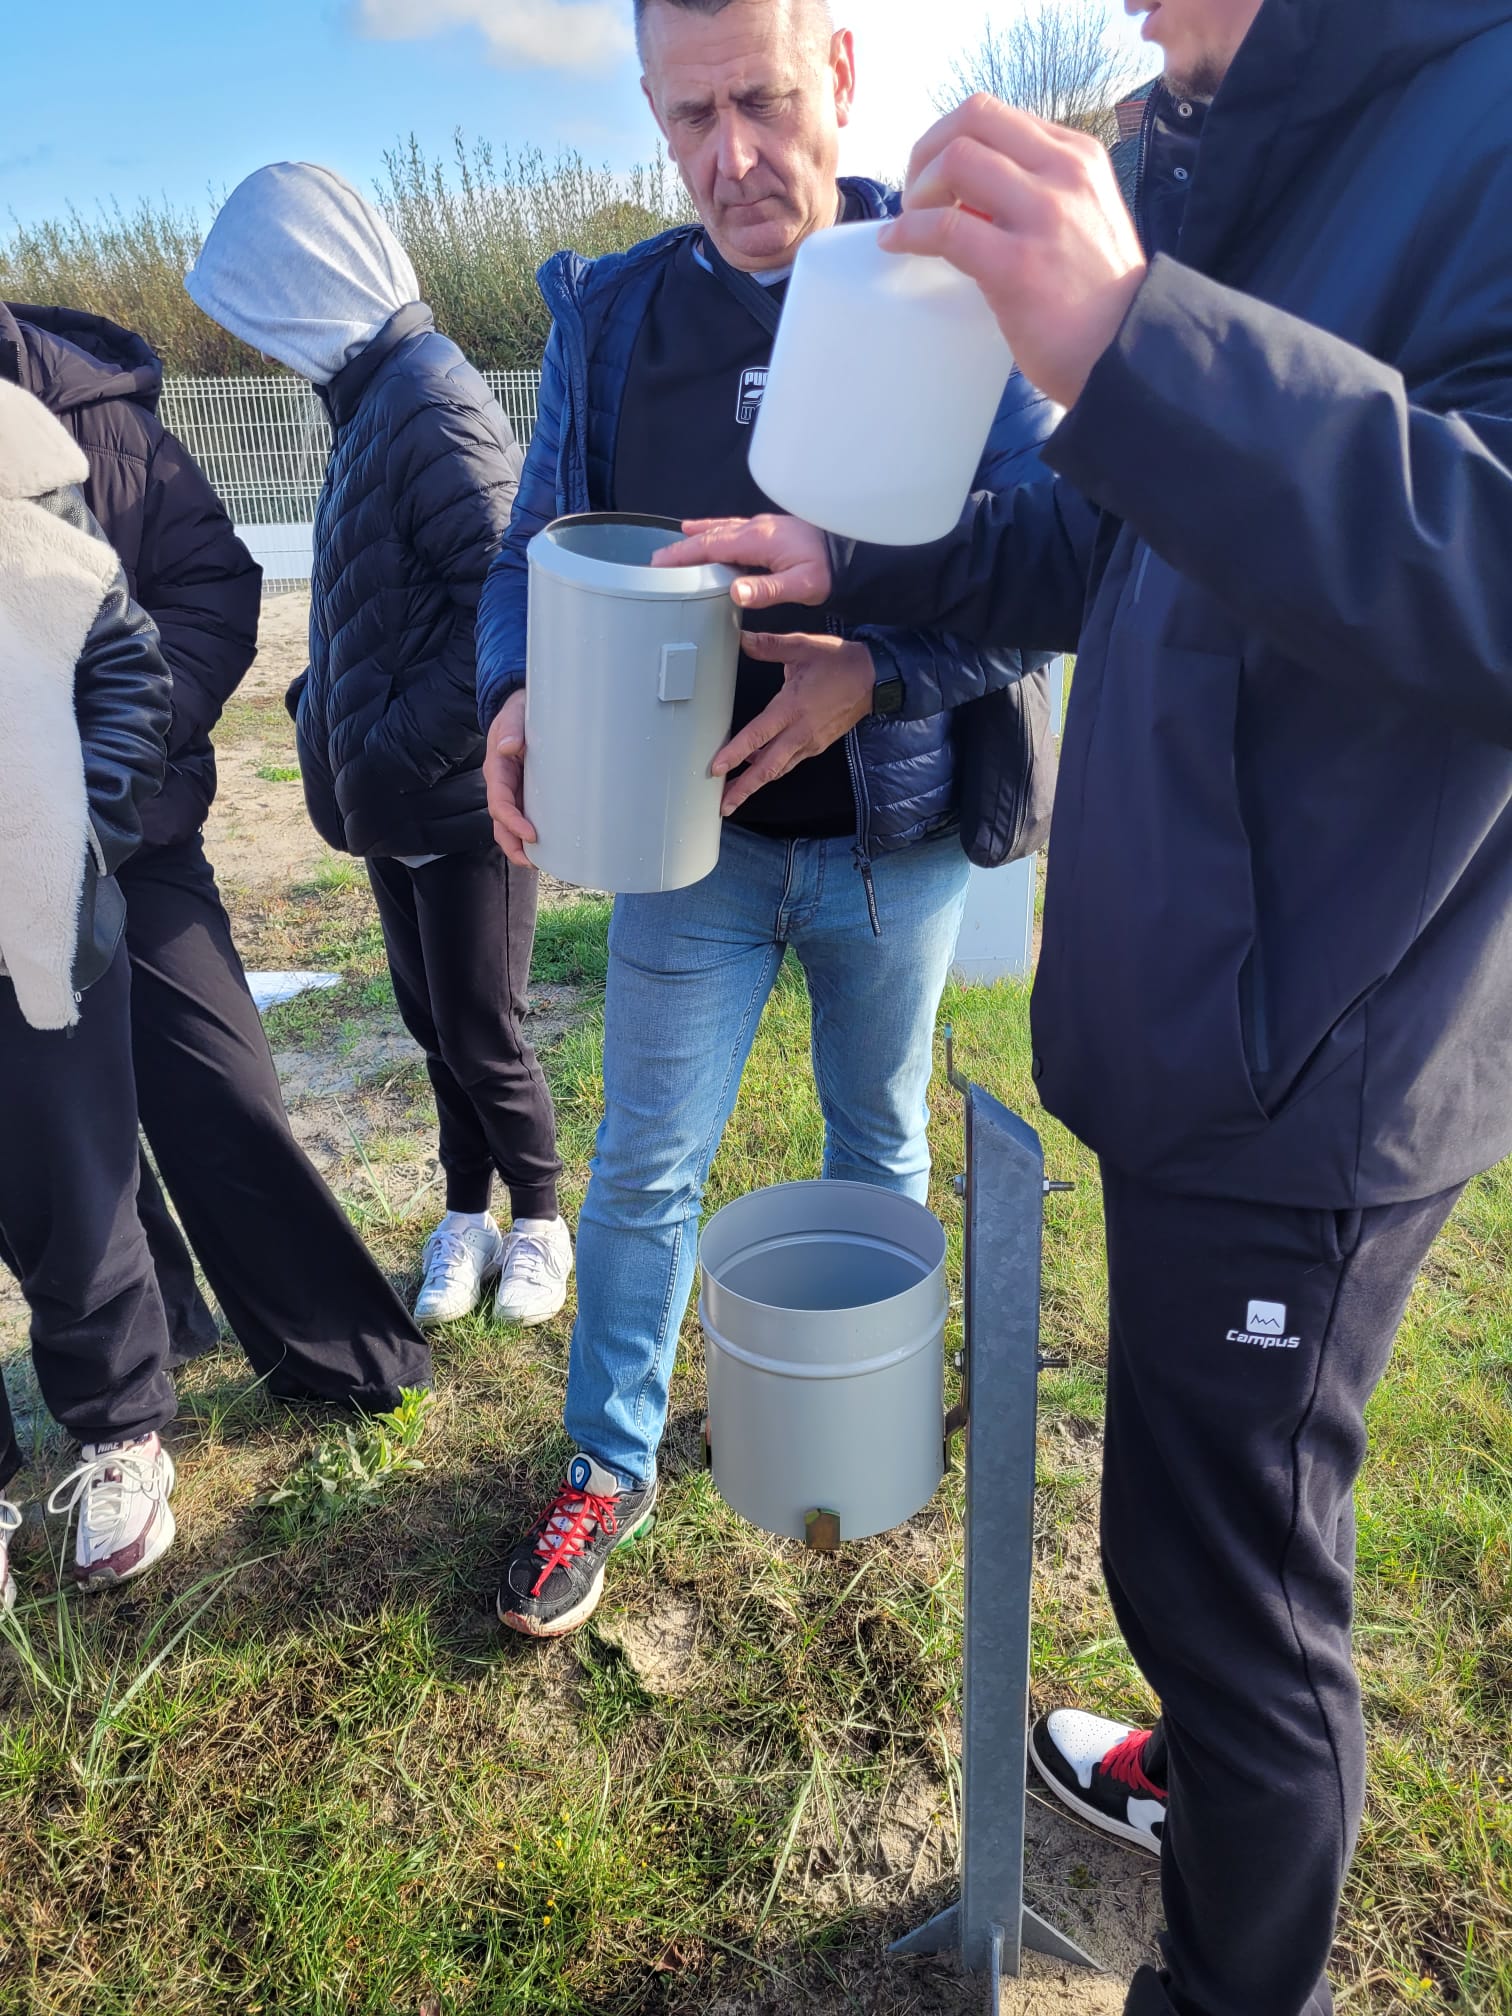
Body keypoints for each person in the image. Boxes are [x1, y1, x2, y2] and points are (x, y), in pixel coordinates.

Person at [660, 1, 1512, 2010]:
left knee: (1236, 1597)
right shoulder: (1223, 137)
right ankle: (1197, 1776)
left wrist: (1145, 342)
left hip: (1326, 1040)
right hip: (1200, 1007)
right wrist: (863, 558)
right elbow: (1106, 532)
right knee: (1183, 1537)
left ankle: (1234, 1968)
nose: (1129, 5)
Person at [476, 0, 1055, 1640]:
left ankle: (863, 1425)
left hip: (899, 833)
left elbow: (1048, 571)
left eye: (762, 101)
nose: (729, 156)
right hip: (691, 843)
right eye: (685, 118)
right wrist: (512, 688)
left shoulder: (956, 295)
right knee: (645, 1161)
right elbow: (538, 531)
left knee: (874, 1139)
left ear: (845, 78)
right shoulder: (612, 317)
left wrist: (874, 669)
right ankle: (608, 1461)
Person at [0, 300, 433, 1407]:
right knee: (63, 1150)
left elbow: (212, 586)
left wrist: (118, 748)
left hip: (134, 840)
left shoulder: (98, 416)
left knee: (223, 1092)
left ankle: (339, 1360)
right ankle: (151, 1359)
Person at [186, 163, 570, 1331]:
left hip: (464, 801)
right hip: (397, 805)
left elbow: (509, 610)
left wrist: (395, 745)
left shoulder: (433, 401)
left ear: (307, 284)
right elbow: (372, 600)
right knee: (430, 1023)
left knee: (483, 1030)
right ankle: (468, 1214)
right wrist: (325, 709)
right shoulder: (369, 406)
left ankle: (544, 1219)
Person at [0, 376, 178, 1598]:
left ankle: (120, 1431)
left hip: (38, 919)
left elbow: (125, 668)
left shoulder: (18, 449)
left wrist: (67, 844)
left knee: (74, 1185)